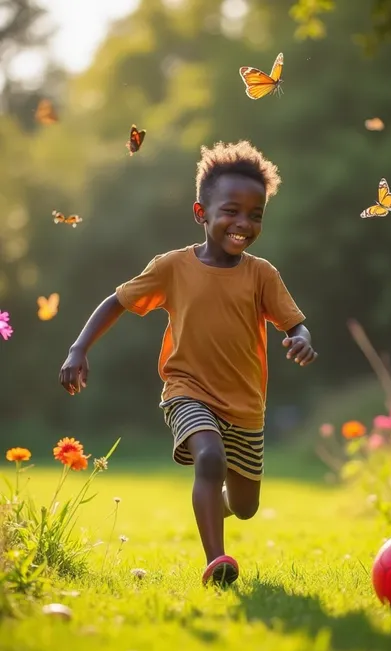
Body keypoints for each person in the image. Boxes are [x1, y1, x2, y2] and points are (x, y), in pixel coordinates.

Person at [59, 140, 317, 586]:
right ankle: (217, 561)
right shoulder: (172, 267)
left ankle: (218, 501)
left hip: (246, 405)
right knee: (209, 456)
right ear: (201, 213)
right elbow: (116, 302)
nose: (243, 223)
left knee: (246, 505)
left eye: (255, 215)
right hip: (187, 390)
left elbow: (294, 323)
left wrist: (301, 340)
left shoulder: (262, 275)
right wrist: (78, 349)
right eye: (231, 211)